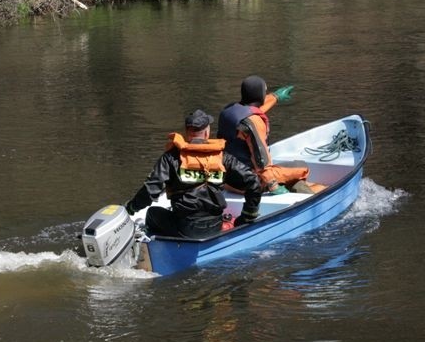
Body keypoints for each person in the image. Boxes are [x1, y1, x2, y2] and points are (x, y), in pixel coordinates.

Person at [124, 109, 262, 238]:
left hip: (185, 228)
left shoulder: (171, 158)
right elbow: (253, 182)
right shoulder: (223, 158)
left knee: (152, 213)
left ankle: (162, 247)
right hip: (215, 226)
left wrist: (131, 208)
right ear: (207, 133)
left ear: (186, 132)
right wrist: (247, 216)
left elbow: (150, 191)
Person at [217, 75, 311, 195]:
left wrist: (275, 96)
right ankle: (295, 189)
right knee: (302, 167)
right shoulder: (254, 122)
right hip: (249, 183)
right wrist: (273, 185)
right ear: (261, 94)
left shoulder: (228, 111)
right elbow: (260, 158)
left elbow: (252, 109)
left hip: (227, 179)